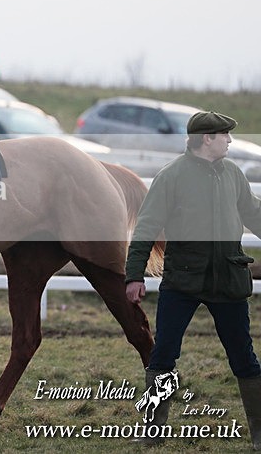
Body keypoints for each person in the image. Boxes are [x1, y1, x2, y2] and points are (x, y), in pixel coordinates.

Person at [125, 111, 261, 448]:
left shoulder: (233, 173)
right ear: (207, 139)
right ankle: (153, 432)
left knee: (244, 357)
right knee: (163, 356)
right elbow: (145, 228)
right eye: (224, 135)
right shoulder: (171, 176)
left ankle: (260, 432)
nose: (230, 140)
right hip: (182, 282)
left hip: (228, 279)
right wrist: (134, 275)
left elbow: (255, 214)